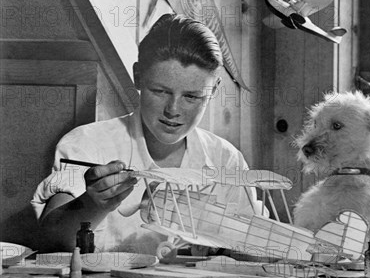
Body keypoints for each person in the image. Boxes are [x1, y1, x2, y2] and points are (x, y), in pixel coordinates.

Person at [32, 14, 261, 254]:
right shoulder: (86, 144)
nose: (173, 110)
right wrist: (92, 204)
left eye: (191, 97)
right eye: (160, 91)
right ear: (138, 76)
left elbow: (252, 250)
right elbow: (49, 241)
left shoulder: (227, 159)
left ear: (213, 89)